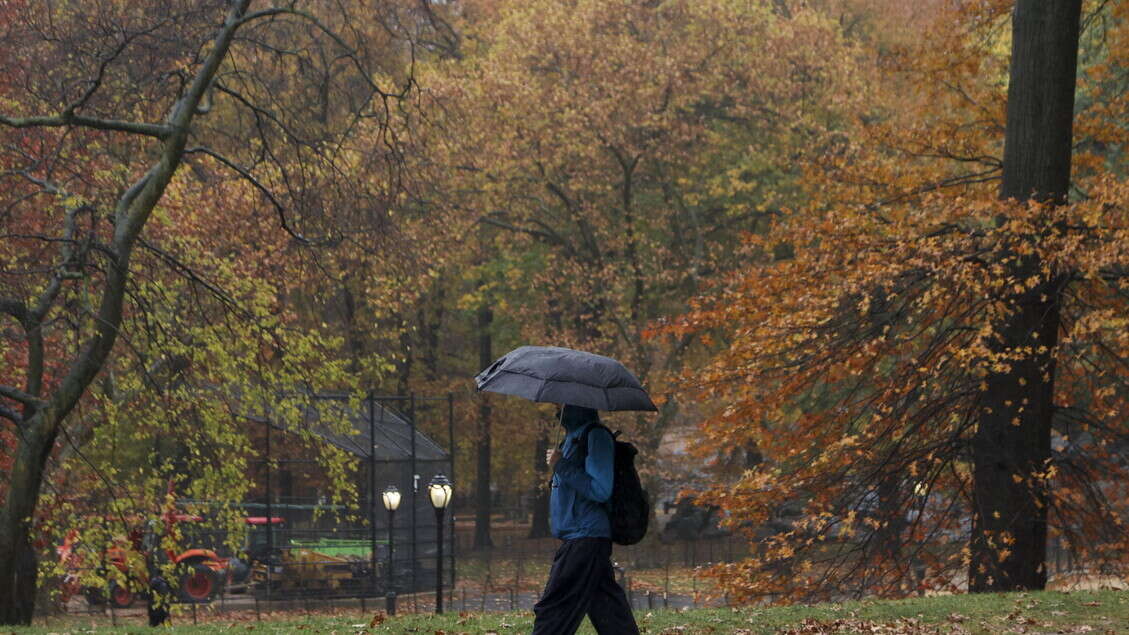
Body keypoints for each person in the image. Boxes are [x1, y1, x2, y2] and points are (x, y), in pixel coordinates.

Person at [531, 404, 639, 635]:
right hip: (581, 537)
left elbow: (600, 489)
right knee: (608, 610)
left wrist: (562, 465)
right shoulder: (572, 438)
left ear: (579, 404)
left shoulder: (595, 436)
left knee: (554, 607)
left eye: (563, 404)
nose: (558, 409)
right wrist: (560, 463)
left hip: (585, 537)